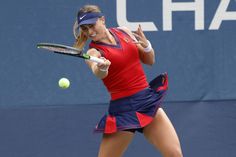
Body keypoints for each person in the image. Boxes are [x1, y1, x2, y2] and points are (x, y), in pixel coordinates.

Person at [73, 4, 183, 157]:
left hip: (146, 101)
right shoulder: (94, 52)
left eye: (92, 26)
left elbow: (149, 61)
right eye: (85, 29)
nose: (90, 32)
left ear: (102, 20)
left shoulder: (123, 32)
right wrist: (103, 68)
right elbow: (97, 72)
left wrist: (147, 46)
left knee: (175, 154)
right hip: (122, 111)